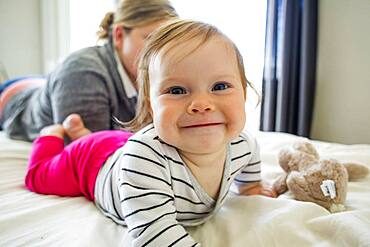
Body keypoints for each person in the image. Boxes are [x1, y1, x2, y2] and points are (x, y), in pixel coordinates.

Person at [25, 19, 277, 246]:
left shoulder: (241, 143)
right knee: (40, 178)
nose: (201, 104)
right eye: (177, 91)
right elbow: (156, 235)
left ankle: (82, 133)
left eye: (220, 86)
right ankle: (54, 134)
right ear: (151, 104)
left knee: (123, 144)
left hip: (125, 145)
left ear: (243, 93)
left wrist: (250, 187)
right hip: (93, 163)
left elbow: (250, 162)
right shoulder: (143, 159)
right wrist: (52, 138)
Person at [0, 0, 178, 142]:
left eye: (168, 41)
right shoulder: (83, 76)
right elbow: (88, 156)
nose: (161, 51)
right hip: (12, 98)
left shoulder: (154, 71)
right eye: (151, 39)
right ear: (118, 35)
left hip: (45, 83)